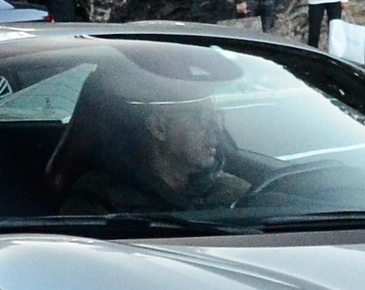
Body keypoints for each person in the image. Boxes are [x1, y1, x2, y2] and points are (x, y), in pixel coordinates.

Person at [58, 92, 249, 216]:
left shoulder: (236, 190)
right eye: (204, 118)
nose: (217, 127)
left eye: (218, 117)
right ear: (159, 127)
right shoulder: (100, 201)